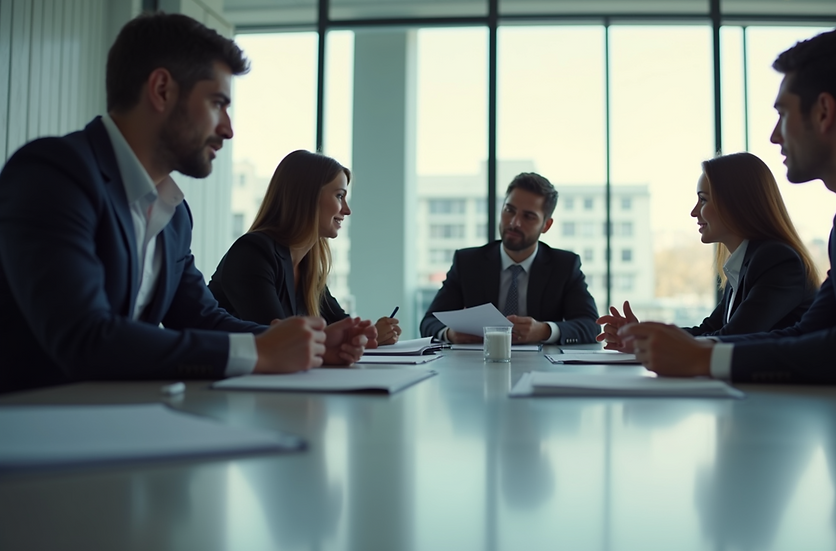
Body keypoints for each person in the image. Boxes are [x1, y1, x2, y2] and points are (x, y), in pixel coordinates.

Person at [0, 13, 375, 394]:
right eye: (217, 103)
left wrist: (308, 344)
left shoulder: (174, 214)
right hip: (30, 429)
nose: (228, 128)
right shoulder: (53, 173)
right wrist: (258, 352)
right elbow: (84, 336)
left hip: (117, 423)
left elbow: (204, 319)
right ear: (162, 90)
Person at [619, 27, 836, 415]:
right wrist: (693, 348)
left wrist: (704, 359)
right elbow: (809, 333)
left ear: (823, 112)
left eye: (783, 113)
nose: (775, 136)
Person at [597, 152, 820, 349]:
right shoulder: (744, 264)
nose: (694, 212)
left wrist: (648, 338)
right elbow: (710, 329)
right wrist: (640, 333)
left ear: (736, 203)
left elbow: (734, 337)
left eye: (703, 200)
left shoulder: (777, 260)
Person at [208, 150, 401, 345]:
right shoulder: (252, 253)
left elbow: (343, 325)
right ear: (308, 197)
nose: (347, 210)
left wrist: (368, 334)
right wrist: (361, 337)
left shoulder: (307, 264)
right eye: (339, 196)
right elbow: (281, 340)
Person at [419, 172, 600, 345]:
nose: (514, 222)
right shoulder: (468, 262)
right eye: (509, 210)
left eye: (528, 216)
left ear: (546, 225)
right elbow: (429, 322)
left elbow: (591, 326)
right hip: (476, 366)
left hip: (542, 369)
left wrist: (544, 330)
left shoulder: (564, 266)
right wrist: (449, 333)